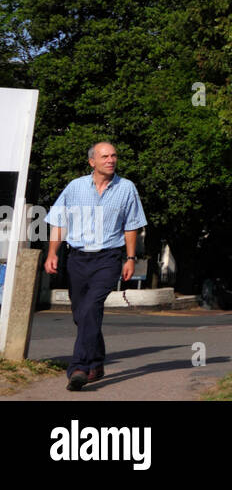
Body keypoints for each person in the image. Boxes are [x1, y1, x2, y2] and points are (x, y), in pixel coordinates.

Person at [44, 141, 147, 391]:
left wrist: (130, 258)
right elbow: (58, 221)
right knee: (82, 314)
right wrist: (52, 253)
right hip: (77, 258)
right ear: (92, 161)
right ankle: (98, 361)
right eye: (105, 156)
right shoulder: (75, 187)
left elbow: (131, 225)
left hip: (108, 258)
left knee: (91, 307)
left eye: (114, 155)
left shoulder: (126, 188)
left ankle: (79, 367)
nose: (111, 160)